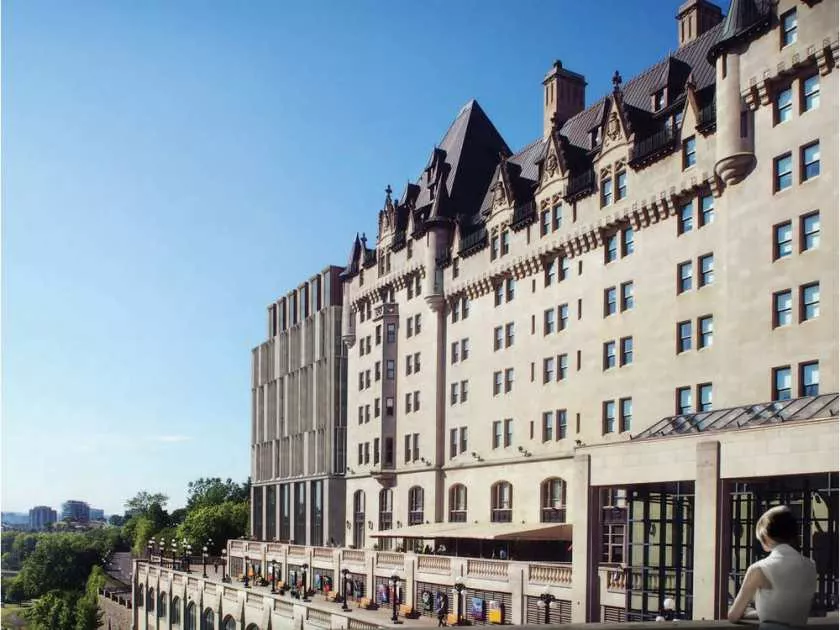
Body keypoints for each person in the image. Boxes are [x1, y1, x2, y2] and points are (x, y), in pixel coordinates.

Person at [727, 505, 817, 627]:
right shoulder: (810, 566)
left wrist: (749, 613)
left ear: (766, 536)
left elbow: (733, 616)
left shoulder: (758, 569)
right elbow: (788, 610)